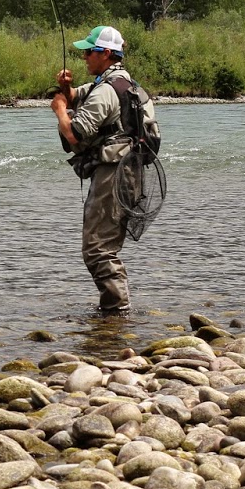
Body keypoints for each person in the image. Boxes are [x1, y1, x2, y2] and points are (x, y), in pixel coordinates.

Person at [50, 25, 158, 312]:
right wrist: (65, 90)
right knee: (105, 246)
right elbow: (76, 96)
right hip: (131, 173)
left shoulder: (106, 90)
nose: (84, 57)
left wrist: (60, 110)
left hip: (112, 174)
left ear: (106, 54)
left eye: (89, 52)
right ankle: (115, 311)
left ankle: (116, 311)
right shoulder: (129, 86)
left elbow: (75, 134)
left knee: (97, 249)